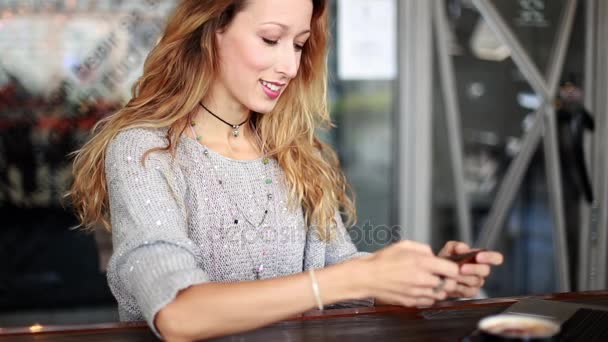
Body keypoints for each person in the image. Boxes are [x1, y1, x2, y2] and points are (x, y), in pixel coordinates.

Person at [69, 0, 503, 341]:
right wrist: (353, 277)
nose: (290, 66)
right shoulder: (145, 151)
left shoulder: (295, 152)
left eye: (298, 44)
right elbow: (178, 314)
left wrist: (425, 280)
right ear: (211, 32)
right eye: (271, 39)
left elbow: (341, 270)